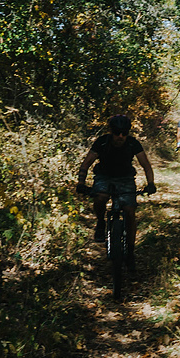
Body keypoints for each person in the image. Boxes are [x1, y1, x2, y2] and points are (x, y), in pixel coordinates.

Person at [75, 115, 156, 272]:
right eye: (117, 132)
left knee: (130, 211)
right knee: (100, 197)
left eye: (124, 133)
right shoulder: (102, 142)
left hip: (125, 178)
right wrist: (81, 183)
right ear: (112, 132)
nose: (121, 136)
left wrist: (151, 184)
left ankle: (130, 253)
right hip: (104, 176)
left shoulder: (133, 143)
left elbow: (145, 164)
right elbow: (86, 163)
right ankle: (100, 222)